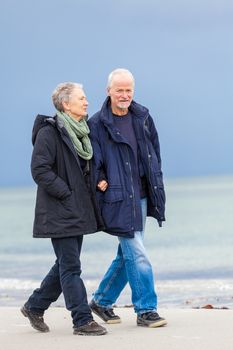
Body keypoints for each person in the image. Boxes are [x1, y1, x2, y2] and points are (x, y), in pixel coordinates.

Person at [21, 82, 107, 336]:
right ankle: (82, 320)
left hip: (77, 209)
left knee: (65, 264)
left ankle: (34, 305)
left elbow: (83, 169)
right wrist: (66, 194)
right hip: (60, 209)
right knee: (71, 267)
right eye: (82, 98)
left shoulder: (82, 132)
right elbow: (40, 170)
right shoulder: (50, 133)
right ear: (66, 104)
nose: (87, 102)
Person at [88, 68, 167, 328]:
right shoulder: (98, 123)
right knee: (138, 252)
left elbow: (154, 151)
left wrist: (156, 177)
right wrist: (99, 179)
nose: (124, 95)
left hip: (143, 194)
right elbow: (92, 160)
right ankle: (146, 309)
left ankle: (101, 300)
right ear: (108, 90)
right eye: (119, 90)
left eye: (128, 90)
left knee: (128, 254)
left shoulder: (143, 117)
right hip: (118, 197)